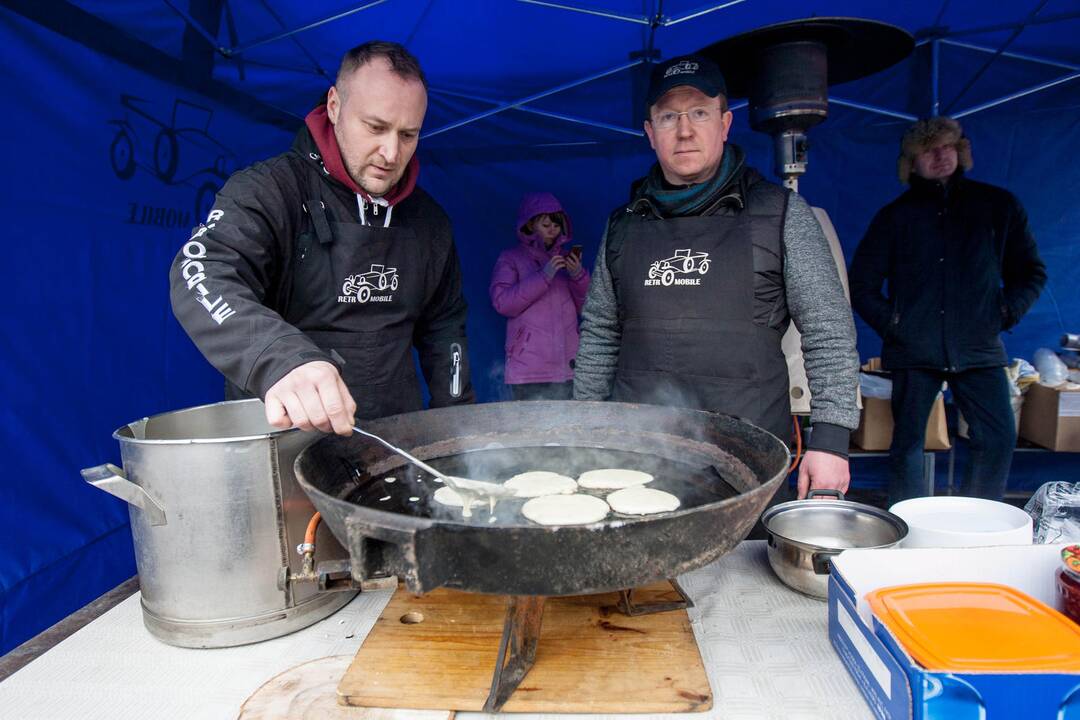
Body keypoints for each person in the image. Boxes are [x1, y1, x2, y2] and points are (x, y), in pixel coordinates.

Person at [573, 55, 860, 502]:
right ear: (650, 133)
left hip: (750, 465)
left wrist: (831, 440)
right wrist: (587, 425)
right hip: (637, 462)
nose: (684, 130)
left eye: (700, 113)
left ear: (725, 124)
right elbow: (599, 334)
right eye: (669, 117)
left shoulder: (783, 215)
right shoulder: (622, 226)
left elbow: (829, 329)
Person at [170, 41, 474, 436]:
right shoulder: (271, 189)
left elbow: (445, 328)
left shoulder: (429, 222)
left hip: (395, 442)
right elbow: (201, 271)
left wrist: (458, 428)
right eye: (376, 127)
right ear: (334, 106)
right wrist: (281, 359)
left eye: (408, 135)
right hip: (285, 442)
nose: (390, 152)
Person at [849, 116, 1046, 504]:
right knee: (907, 444)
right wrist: (895, 325)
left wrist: (1004, 313)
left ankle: (980, 523)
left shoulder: (997, 206)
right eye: (927, 150)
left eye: (947, 147)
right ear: (911, 162)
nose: (939, 156)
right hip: (914, 348)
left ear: (961, 151)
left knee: (998, 436)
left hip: (978, 346)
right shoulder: (895, 217)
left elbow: (1030, 272)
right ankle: (909, 525)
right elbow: (861, 284)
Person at [490, 193, 590, 400]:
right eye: (546, 224)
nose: (552, 229)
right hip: (529, 372)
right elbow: (502, 303)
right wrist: (544, 276)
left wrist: (578, 275)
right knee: (530, 431)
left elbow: (589, 310)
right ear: (529, 226)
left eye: (556, 223)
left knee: (569, 430)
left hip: (568, 369)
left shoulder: (564, 261)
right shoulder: (511, 258)